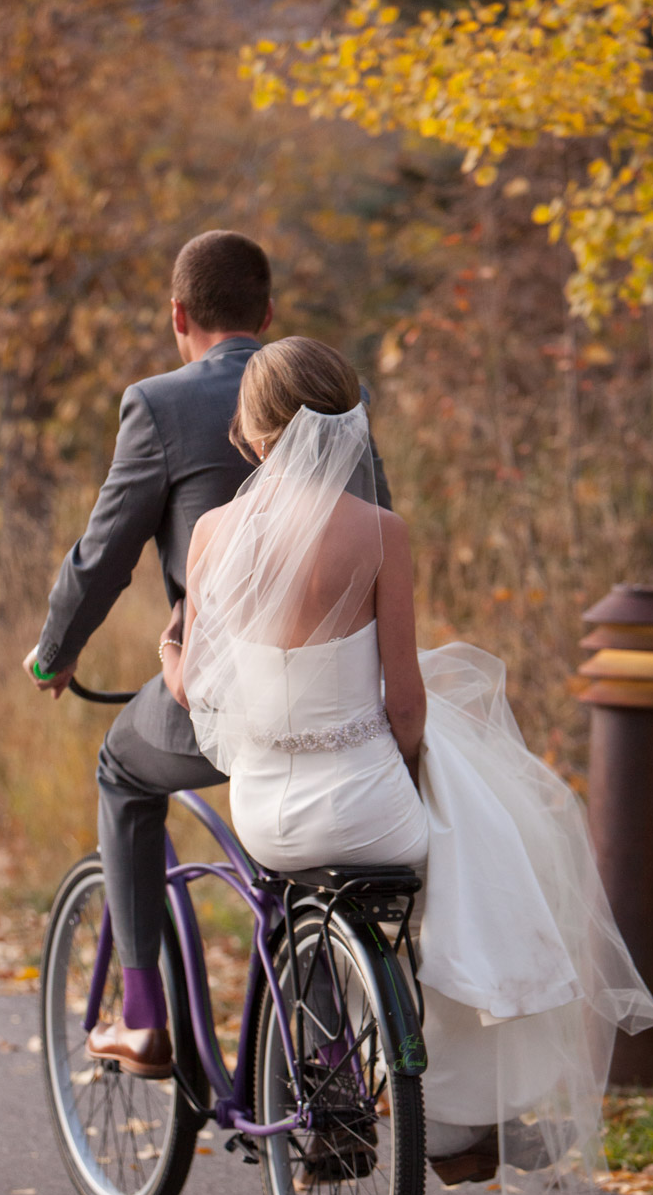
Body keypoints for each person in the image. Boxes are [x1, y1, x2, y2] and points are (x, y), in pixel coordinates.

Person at [163, 335, 653, 1195]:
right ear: (345, 422)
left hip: (264, 815)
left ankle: (340, 1085)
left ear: (255, 425)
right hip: (363, 814)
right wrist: (408, 767)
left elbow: (200, 690)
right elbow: (405, 709)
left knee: (364, 863)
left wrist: (169, 652)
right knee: (468, 838)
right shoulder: (381, 534)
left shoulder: (210, 536)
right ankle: (460, 1119)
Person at [24, 233, 391, 1081]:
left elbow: (105, 554)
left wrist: (55, 653)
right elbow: (376, 530)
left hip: (219, 694)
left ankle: (145, 1015)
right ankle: (331, 1054)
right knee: (301, 857)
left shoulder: (158, 404)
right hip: (338, 694)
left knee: (122, 771)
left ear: (178, 317)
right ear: (268, 315)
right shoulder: (341, 398)